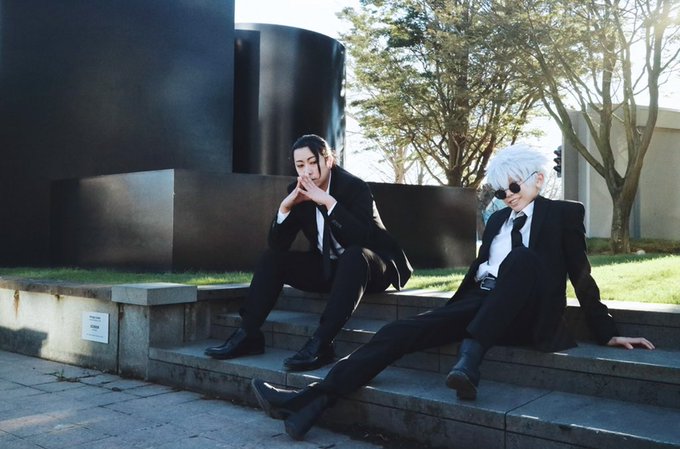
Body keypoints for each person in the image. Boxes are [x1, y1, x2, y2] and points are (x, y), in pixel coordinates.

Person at [249, 143, 655, 440]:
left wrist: (606, 331)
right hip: (481, 303)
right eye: (500, 191)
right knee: (396, 332)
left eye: (513, 186)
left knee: (521, 260)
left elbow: (581, 274)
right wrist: (448, 313)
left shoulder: (564, 214)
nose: (508, 196)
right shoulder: (497, 222)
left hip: (527, 311)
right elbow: (479, 272)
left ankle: (469, 361)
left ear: (538, 179)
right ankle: (308, 402)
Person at [205, 134, 412, 372]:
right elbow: (278, 245)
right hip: (330, 269)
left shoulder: (355, 187)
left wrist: (329, 203)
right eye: (300, 165)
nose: (307, 171)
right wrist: (285, 208)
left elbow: (362, 238)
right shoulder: (298, 191)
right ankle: (248, 334)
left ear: (329, 160)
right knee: (272, 259)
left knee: (354, 255)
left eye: (313, 162)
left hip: (373, 267)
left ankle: (322, 343)